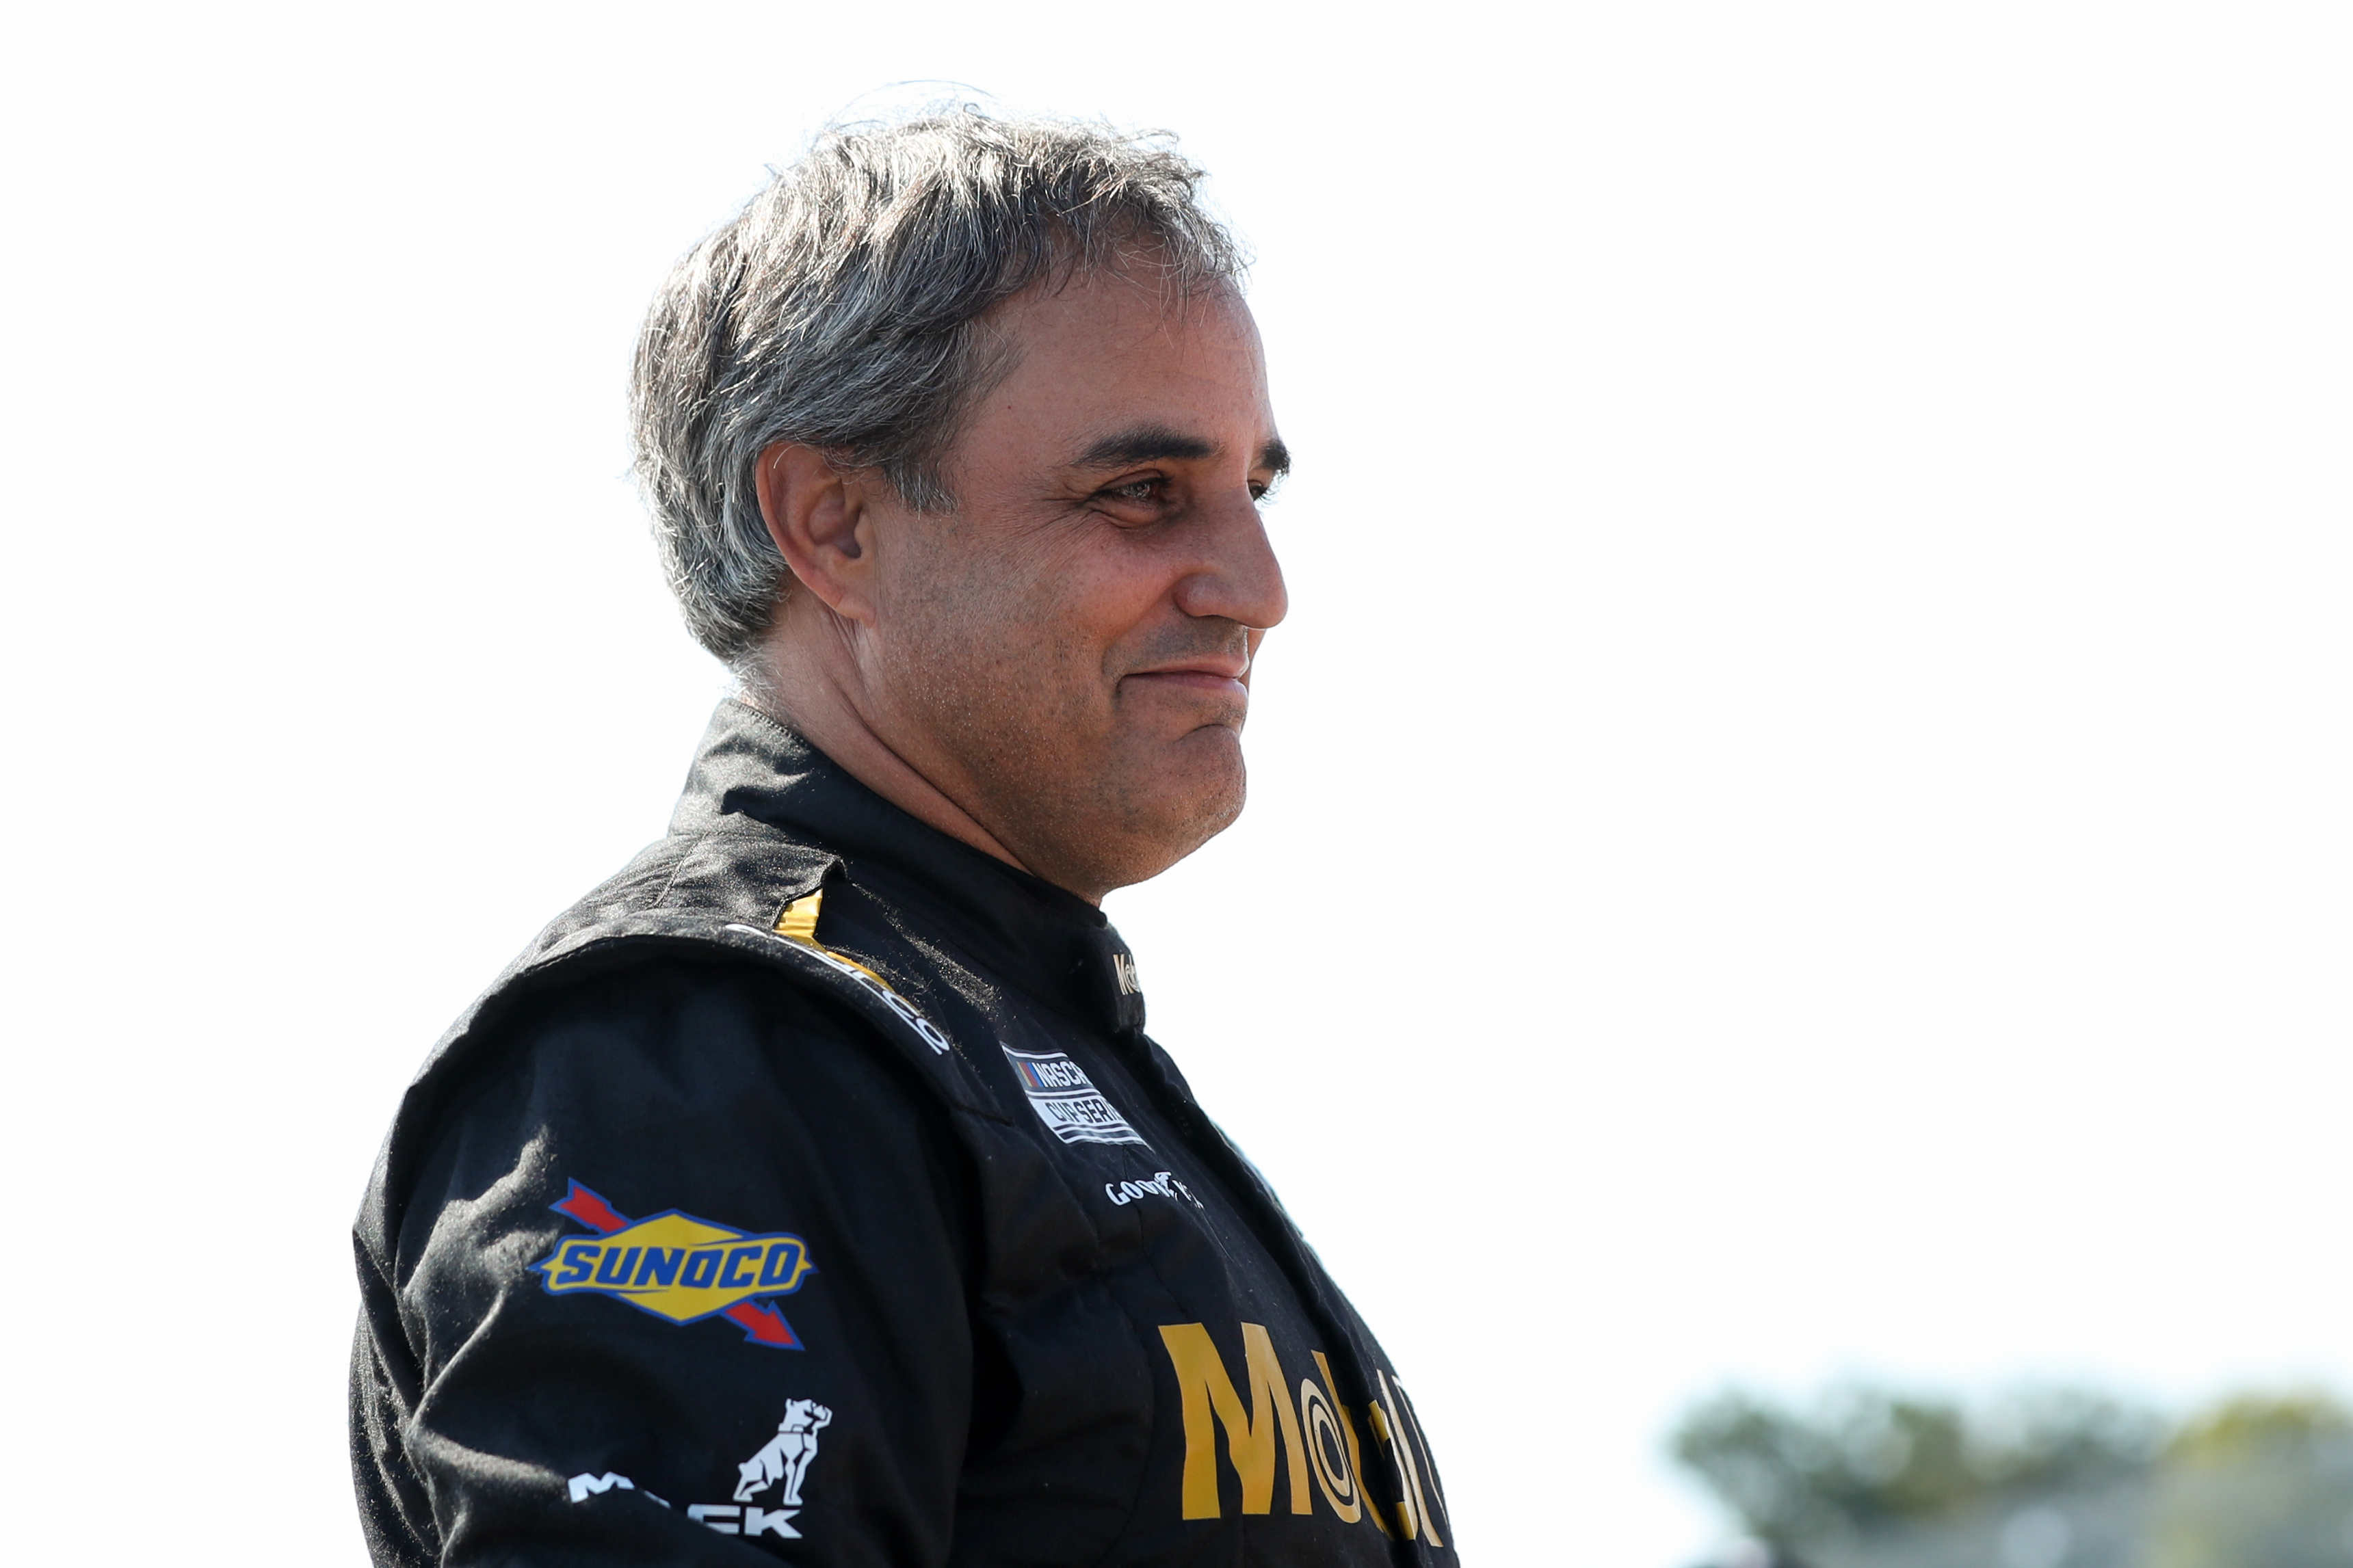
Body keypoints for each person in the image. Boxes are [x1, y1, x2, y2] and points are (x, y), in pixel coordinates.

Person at [349, 108, 1456, 1567]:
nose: (1257, 585)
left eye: (1252, 489)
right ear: (833, 527)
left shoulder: (990, 1037)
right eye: (1140, 493)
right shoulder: (708, 1051)